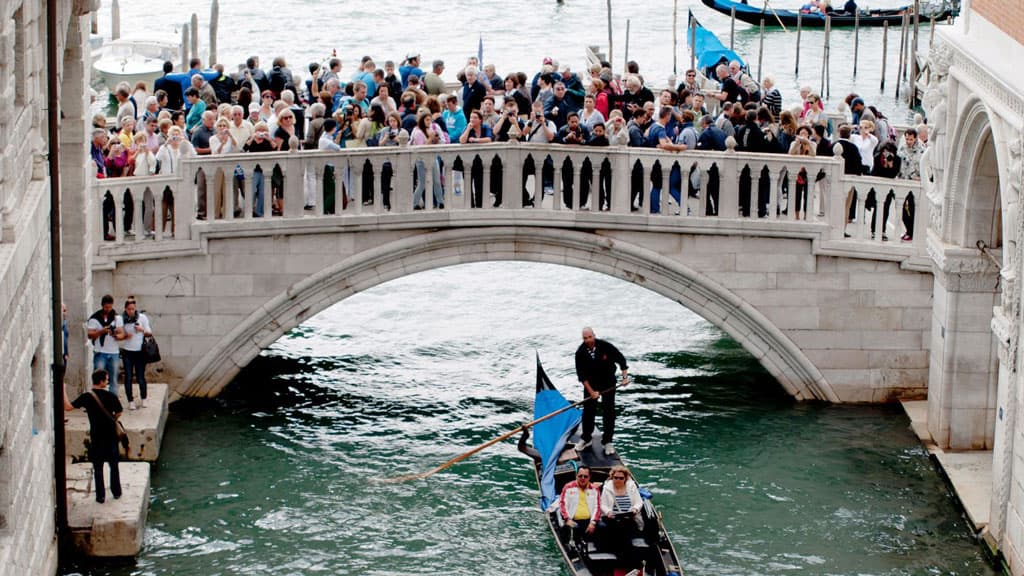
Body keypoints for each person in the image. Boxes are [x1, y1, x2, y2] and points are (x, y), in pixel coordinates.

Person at [65, 369, 123, 503]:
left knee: (98, 467)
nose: (108, 381)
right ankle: (116, 492)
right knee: (113, 466)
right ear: (102, 381)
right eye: (107, 379)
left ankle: (100, 496)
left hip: (96, 436)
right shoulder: (111, 396)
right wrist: (112, 418)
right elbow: (119, 412)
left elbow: (68, 407)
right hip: (111, 436)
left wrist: (63, 390)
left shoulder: (87, 397)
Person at [574, 327, 629, 455]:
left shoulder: (605, 346)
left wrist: (624, 377)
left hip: (608, 382)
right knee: (588, 412)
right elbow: (582, 376)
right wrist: (592, 392)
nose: (588, 340)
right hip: (591, 384)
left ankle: (607, 441)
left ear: (594, 335)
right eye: (585, 338)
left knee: (609, 411)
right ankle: (586, 438)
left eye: (590, 337)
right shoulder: (580, 353)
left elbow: (621, 360)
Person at [600, 465, 645, 570]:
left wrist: (635, 509)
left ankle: (628, 564)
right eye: (616, 477)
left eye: (621, 478)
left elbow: (639, 502)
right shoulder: (607, 487)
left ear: (625, 478)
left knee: (623, 531)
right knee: (621, 532)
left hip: (629, 518)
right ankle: (634, 565)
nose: (618, 480)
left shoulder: (631, 486)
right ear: (612, 477)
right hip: (612, 518)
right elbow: (603, 505)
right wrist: (608, 512)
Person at [87, 294, 124, 397]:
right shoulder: (95, 318)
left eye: (110, 307)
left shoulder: (117, 318)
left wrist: (115, 334)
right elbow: (89, 335)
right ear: (102, 306)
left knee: (114, 379)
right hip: (100, 352)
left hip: (114, 353)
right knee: (98, 379)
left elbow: (122, 334)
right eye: (106, 307)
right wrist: (101, 331)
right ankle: (97, 400)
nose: (108, 309)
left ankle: (113, 402)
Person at [120, 299, 152, 410]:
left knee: (140, 376)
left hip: (139, 352)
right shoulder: (121, 319)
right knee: (128, 377)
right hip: (127, 351)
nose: (131, 311)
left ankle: (144, 398)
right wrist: (124, 335)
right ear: (125, 309)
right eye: (129, 309)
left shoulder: (142, 318)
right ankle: (130, 400)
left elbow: (149, 333)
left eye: (133, 309)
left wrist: (141, 329)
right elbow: (118, 333)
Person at [558, 466, 601, 544]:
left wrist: (593, 522)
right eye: (580, 476)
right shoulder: (568, 487)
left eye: (585, 476)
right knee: (568, 531)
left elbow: (597, 507)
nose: (583, 478)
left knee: (603, 527)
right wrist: (567, 519)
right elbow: (562, 504)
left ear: (589, 477)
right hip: (573, 520)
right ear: (576, 476)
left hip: (589, 521)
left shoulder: (594, 489)